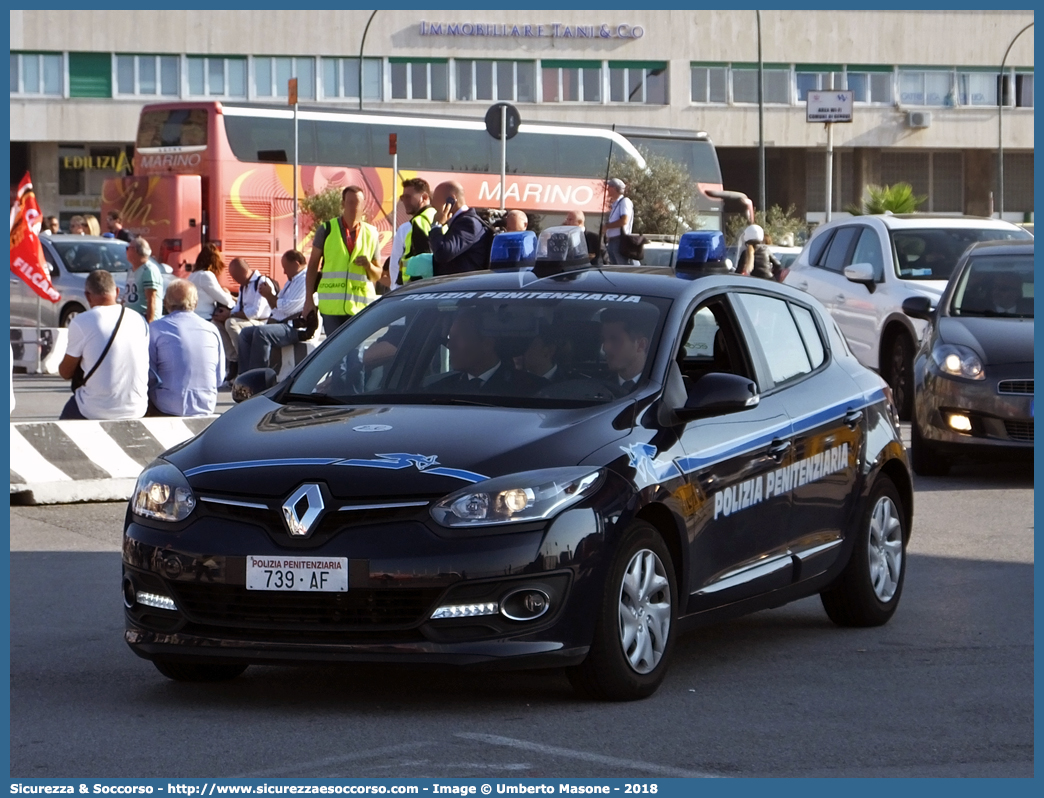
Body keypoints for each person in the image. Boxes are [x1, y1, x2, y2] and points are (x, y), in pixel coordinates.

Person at [58, 269, 150, 420]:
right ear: (117, 291)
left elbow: (65, 372)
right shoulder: (139, 320)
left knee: (63, 428)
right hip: (137, 408)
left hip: (95, 409)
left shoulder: (82, 321)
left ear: (87, 295)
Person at [303, 185, 381, 336]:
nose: (354, 207)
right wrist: (308, 300)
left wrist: (368, 265)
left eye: (358, 203)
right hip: (331, 308)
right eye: (350, 202)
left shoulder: (372, 234)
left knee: (355, 354)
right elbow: (312, 266)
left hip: (359, 307)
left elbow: (377, 275)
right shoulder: (326, 230)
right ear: (342, 204)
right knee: (336, 353)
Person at [147, 279, 225, 417]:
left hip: (167, 406)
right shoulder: (211, 329)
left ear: (165, 302)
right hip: (206, 405)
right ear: (195, 303)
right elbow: (219, 378)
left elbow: (149, 376)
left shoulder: (155, 328)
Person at [434, 307, 545, 394]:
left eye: (458, 338)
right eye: (450, 338)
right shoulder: (439, 390)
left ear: (487, 344)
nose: (449, 345)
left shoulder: (533, 390)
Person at [238, 249, 309, 373]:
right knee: (245, 334)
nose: (284, 271)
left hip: (295, 326)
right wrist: (267, 296)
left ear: (296, 264)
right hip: (281, 323)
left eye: (285, 267)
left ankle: (258, 376)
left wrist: (269, 295)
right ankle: (244, 375)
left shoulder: (304, 280)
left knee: (261, 333)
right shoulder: (291, 281)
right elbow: (276, 306)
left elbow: (287, 308)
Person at [223, 257, 277, 382]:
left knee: (231, 323)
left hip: (262, 321)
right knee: (218, 323)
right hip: (249, 321)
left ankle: (243, 361)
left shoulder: (261, 282)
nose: (234, 280)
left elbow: (255, 313)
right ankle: (234, 359)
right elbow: (237, 308)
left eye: (235, 276)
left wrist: (231, 315)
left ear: (243, 272)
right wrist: (228, 313)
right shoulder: (244, 286)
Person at [428, 181, 494, 277]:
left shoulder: (468, 223)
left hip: (466, 286)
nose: (432, 204)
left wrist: (436, 226)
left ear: (451, 200)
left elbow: (443, 253)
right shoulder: (459, 222)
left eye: (436, 199)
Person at [188, 244, 236, 359]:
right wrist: (230, 297)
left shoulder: (193, 275)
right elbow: (225, 300)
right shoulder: (206, 275)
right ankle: (234, 359)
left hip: (195, 317)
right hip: (206, 318)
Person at [599, 304, 658, 395]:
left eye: (615, 339)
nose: (605, 347)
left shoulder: (660, 388)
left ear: (641, 345)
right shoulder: (596, 386)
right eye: (604, 339)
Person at [389, 177, 436, 289]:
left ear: (424, 197)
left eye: (408, 197)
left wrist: (395, 290)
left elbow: (395, 265)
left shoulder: (411, 226)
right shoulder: (440, 219)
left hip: (412, 290)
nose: (404, 201)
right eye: (402, 197)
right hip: (435, 288)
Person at [123, 236, 164, 323]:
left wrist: (150, 322)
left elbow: (151, 299)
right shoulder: (131, 270)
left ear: (135, 250)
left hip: (143, 318)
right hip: (131, 318)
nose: (126, 251)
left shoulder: (149, 270)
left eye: (128, 248)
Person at [603, 178, 636, 265]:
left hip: (619, 240)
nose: (607, 189)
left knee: (620, 267)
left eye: (609, 187)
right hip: (613, 240)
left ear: (614, 188)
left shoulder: (624, 202)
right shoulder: (616, 204)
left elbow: (624, 221)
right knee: (615, 268)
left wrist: (607, 226)